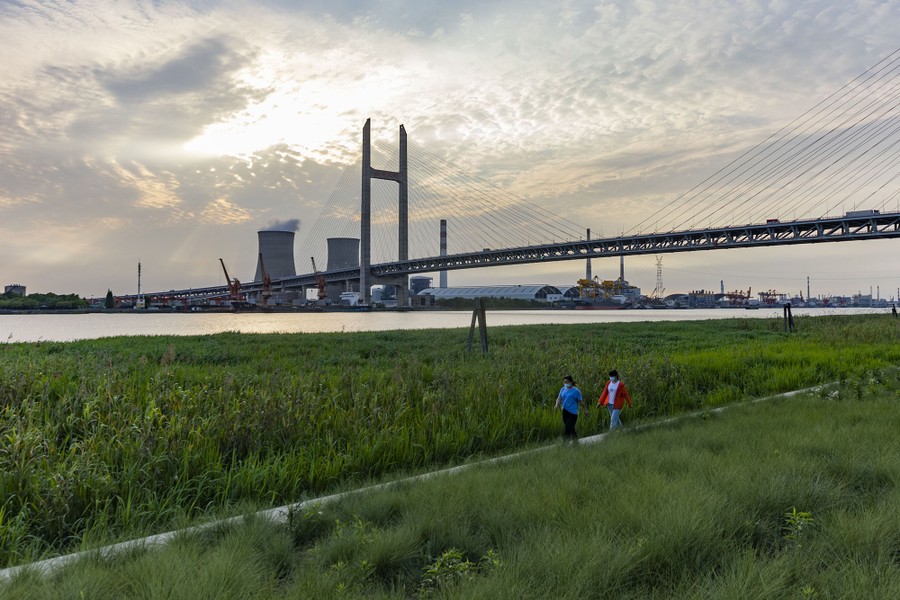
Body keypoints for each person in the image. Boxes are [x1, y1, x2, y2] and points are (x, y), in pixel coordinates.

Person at [555, 375, 585, 440]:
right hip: (565, 411)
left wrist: (585, 410)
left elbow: (580, 402)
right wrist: (556, 405)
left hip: (573, 413)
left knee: (568, 427)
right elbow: (559, 398)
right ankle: (575, 442)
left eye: (567, 382)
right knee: (570, 427)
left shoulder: (576, 391)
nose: (566, 384)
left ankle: (565, 443)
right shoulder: (563, 389)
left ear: (571, 382)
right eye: (564, 382)